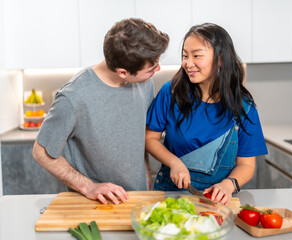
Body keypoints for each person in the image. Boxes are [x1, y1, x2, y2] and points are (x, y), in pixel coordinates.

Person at [32, 18, 169, 205]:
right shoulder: (73, 97)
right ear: (122, 72)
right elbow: (41, 152)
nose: (158, 69)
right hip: (96, 204)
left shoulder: (143, 82)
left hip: (137, 199)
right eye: (152, 68)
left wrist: (146, 176)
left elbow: (137, 135)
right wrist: (88, 187)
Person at [145, 23, 267, 205]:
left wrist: (228, 184)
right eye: (185, 56)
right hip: (169, 196)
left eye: (197, 56)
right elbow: (150, 139)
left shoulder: (244, 107)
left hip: (215, 202)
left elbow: (247, 165)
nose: (188, 63)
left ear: (221, 59)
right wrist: (174, 163)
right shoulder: (170, 93)